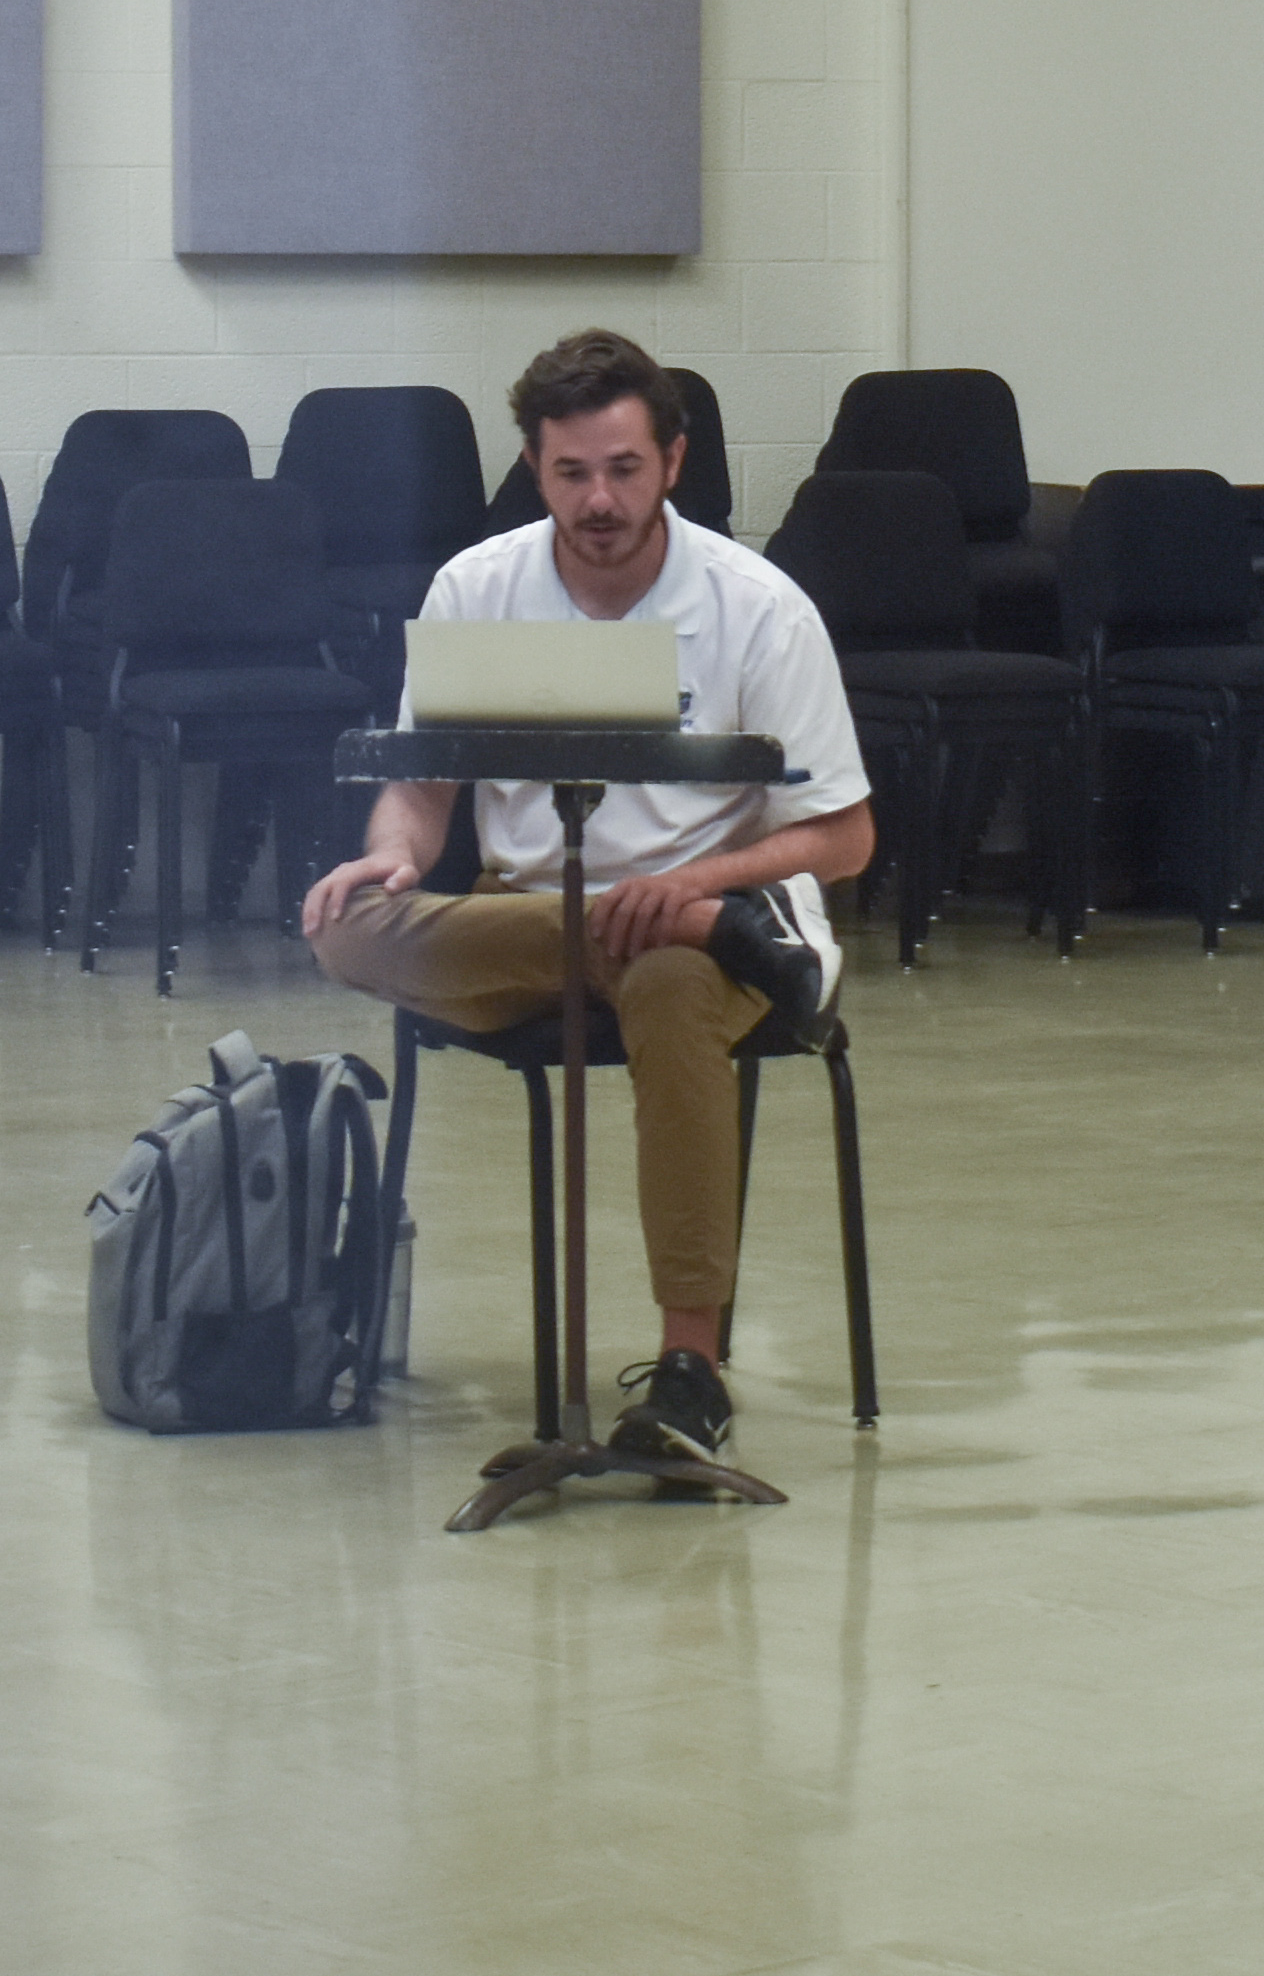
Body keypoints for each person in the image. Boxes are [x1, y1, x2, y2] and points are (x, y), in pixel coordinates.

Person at [300, 328, 872, 1474]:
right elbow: (422, 785)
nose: (598, 499)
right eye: (571, 473)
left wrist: (695, 892)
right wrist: (397, 857)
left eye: (622, 468)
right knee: (346, 923)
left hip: (707, 940)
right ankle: (668, 937)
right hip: (532, 925)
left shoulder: (760, 605)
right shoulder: (478, 586)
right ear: (533, 463)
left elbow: (845, 836)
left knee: (665, 973)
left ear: (673, 459)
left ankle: (689, 1373)